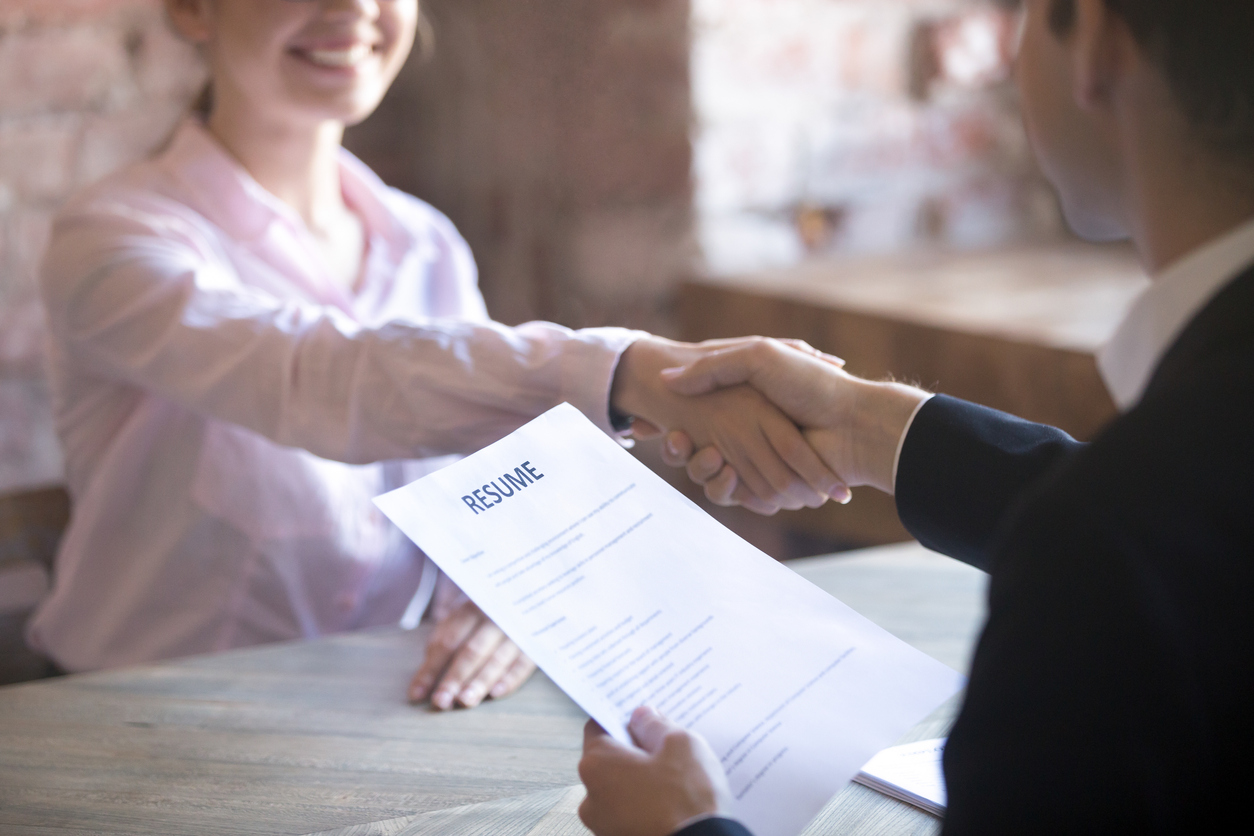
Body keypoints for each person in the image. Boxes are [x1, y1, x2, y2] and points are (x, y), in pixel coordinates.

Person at [30, 0, 847, 711]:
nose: (352, 6)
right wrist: (630, 374)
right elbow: (311, 376)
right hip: (136, 717)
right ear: (192, 9)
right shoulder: (113, 240)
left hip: (381, 710)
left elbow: (500, 482)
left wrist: (512, 593)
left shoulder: (423, 244)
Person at [578, 0, 1254, 832]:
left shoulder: (1103, 556)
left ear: (1100, 47)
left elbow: (1142, 535)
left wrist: (690, 831)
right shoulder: (1166, 495)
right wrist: (874, 429)